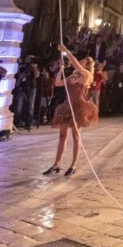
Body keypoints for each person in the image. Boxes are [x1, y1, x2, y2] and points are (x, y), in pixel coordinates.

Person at [43, 45, 97, 177]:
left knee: (75, 136)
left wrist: (66, 51)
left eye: (83, 61)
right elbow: (58, 83)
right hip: (67, 106)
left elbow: (75, 63)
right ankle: (57, 163)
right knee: (62, 136)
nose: (80, 62)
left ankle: (73, 164)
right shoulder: (73, 76)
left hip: (78, 107)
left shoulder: (86, 75)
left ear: (87, 65)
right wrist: (61, 70)